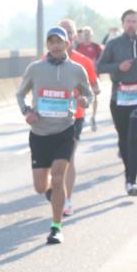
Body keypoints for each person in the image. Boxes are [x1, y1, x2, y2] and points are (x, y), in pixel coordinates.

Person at [17, 27, 93, 243]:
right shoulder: (35, 68)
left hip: (64, 130)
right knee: (40, 186)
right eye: (51, 42)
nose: (56, 46)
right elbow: (20, 93)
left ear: (67, 44)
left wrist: (85, 101)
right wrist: (27, 111)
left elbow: (88, 94)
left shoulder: (76, 69)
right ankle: (53, 193)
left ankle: (56, 227)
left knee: (59, 177)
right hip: (40, 133)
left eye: (59, 42)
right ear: (47, 45)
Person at [96, 9, 137, 197]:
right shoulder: (114, 44)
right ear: (123, 24)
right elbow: (100, 66)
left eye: (134, 21)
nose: (131, 24)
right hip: (119, 96)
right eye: (128, 21)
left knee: (134, 136)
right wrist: (118, 67)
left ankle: (132, 181)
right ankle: (128, 172)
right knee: (123, 138)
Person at [54, 19, 100, 217]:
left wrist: (88, 94)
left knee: (68, 158)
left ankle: (67, 200)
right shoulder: (44, 60)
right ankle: (54, 188)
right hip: (50, 117)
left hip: (75, 116)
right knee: (52, 160)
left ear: (74, 36)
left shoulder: (84, 61)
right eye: (62, 32)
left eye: (70, 32)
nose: (66, 36)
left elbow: (95, 86)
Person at [76, 26, 104, 131]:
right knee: (82, 96)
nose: (86, 36)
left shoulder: (96, 47)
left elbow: (102, 59)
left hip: (93, 75)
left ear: (92, 35)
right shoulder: (78, 47)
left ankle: (93, 117)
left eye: (88, 34)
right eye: (85, 34)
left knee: (95, 96)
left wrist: (97, 66)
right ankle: (82, 116)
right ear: (82, 35)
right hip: (81, 76)